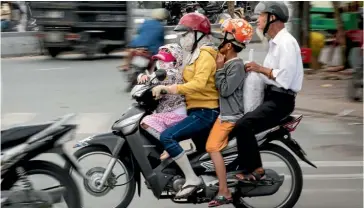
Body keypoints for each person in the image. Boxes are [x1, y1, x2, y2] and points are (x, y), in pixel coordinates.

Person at [233, 1, 303, 182]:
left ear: (273, 18)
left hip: (281, 101)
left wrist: (259, 68)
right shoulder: (275, 43)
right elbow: (267, 76)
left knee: (244, 125)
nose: (258, 20)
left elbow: (285, 79)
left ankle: (255, 169)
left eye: (261, 16)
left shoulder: (286, 43)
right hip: (271, 96)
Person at [152, 13, 219, 199]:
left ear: (198, 34)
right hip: (197, 109)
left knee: (167, 136)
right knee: (199, 153)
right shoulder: (194, 55)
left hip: (206, 112)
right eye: (181, 35)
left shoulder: (205, 55)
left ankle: (192, 179)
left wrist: (170, 89)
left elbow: (198, 84)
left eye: (186, 34)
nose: (183, 38)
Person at [205, 18, 253, 207]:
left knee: (212, 147)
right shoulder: (230, 63)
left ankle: (224, 191)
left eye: (224, 38)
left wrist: (219, 69)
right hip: (224, 114)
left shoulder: (236, 65)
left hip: (231, 116)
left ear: (230, 45)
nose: (220, 42)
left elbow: (224, 90)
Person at [137, 43, 187, 142]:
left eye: (163, 60)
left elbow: (153, 79)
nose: (160, 62)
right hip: (168, 113)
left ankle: (169, 143)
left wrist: (144, 77)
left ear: (174, 61)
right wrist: (141, 76)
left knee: (146, 121)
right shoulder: (163, 73)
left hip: (176, 115)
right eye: (159, 59)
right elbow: (149, 77)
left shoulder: (173, 73)